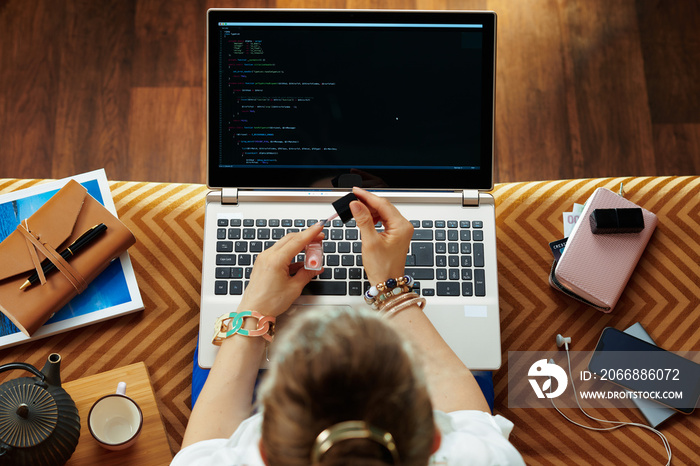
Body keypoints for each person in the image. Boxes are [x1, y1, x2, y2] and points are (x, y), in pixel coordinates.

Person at [172, 187, 524, 465]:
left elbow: (199, 451)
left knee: (209, 356)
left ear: (263, 449)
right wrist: (391, 290)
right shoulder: (488, 459)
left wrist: (253, 308)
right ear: (435, 438)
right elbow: (470, 416)